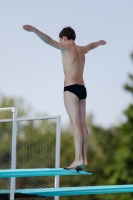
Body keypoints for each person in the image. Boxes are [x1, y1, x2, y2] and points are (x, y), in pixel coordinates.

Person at [23, 25, 106, 170]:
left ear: (65, 38)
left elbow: (48, 40)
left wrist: (34, 30)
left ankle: (78, 158)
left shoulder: (66, 47)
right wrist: (99, 42)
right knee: (82, 123)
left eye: (61, 39)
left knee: (75, 124)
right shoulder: (82, 50)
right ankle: (84, 158)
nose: (60, 42)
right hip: (82, 89)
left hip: (71, 89)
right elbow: (91, 46)